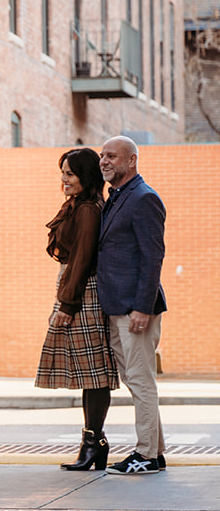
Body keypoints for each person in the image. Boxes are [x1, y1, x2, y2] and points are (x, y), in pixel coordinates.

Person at [34, 148, 117, 471]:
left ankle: (93, 443)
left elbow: (82, 258)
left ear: (86, 175)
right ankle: (94, 442)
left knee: (94, 374)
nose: (64, 180)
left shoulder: (87, 209)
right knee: (88, 373)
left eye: (70, 174)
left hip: (84, 293)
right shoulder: (79, 206)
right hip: (76, 288)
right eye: (62, 174)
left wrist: (67, 305)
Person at [96, 136, 168, 475]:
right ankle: (156, 452)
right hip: (117, 306)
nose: (104, 161)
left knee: (141, 382)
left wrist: (142, 307)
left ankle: (146, 455)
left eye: (112, 155)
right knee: (137, 381)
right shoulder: (117, 197)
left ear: (132, 160)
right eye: (102, 156)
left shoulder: (143, 198)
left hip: (135, 309)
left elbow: (153, 257)